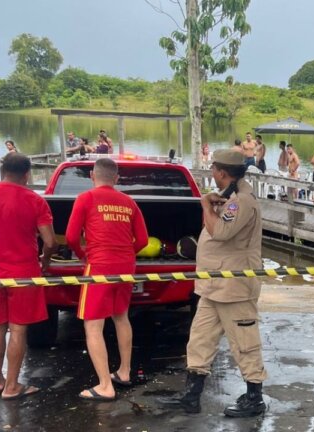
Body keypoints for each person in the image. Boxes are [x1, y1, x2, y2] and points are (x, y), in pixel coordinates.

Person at [159, 149, 267, 417]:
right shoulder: (230, 197)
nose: (212, 175)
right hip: (213, 287)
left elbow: (220, 232)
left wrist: (206, 206)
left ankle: (255, 397)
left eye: (214, 170)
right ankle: (191, 395)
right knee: (199, 340)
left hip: (234, 287)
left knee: (245, 342)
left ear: (221, 171)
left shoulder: (241, 201)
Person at [65, 158, 149, 401]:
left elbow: (71, 237)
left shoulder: (86, 198)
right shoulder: (129, 202)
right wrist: (126, 255)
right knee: (121, 316)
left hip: (99, 266)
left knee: (93, 324)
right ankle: (124, 372)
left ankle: (105, 386)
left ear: (93, 176)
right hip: (126, 267)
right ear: (117, 178)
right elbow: (143, 240)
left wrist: (84, 256)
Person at [0, 153, 57, 400]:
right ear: (27, 175)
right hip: (23, 274)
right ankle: (12, 386)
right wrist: (45, 261)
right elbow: (49, 241)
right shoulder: (34, 201)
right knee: (18, 330)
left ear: (2, 171)